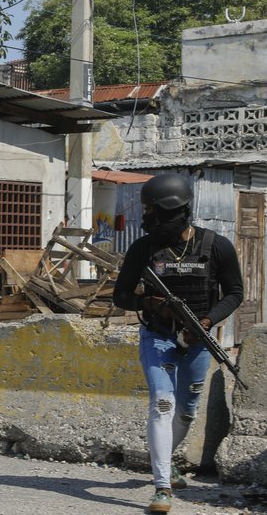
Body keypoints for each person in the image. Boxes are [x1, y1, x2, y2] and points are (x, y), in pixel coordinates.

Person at [113, 173, 243, 513]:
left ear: (174, 210)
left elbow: (235, 293)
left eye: (152, 211)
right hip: (158, 336)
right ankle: (162, 488)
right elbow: (121, 295)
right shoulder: (143, 248)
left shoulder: (216, 246)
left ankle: (166, 463)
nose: (148, 218)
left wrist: (207, 320)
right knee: (162, 404)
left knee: (186, 410)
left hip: (198, 340)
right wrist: (150, 304)